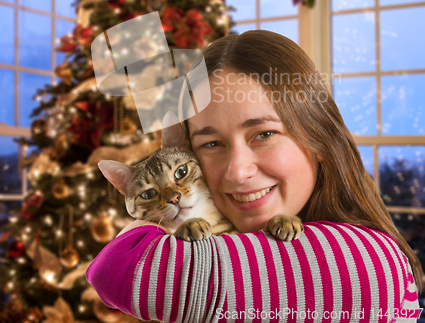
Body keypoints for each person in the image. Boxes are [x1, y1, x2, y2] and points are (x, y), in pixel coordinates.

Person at [86, 30, 423, 322]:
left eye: (264, 134)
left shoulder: (371, 264)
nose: (238, 171)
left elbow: (119, 266)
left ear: (319, 138)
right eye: (212, 143)